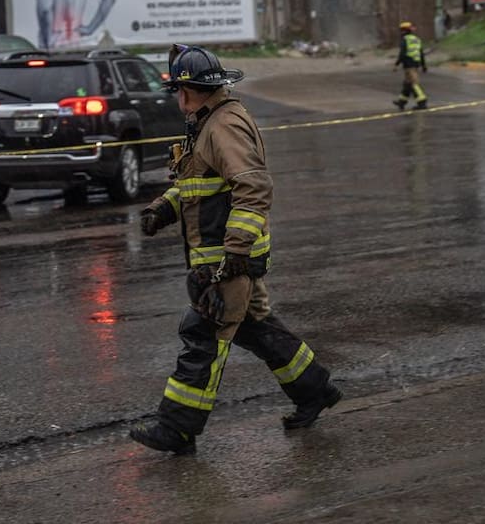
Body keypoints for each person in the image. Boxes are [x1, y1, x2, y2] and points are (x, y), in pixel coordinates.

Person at [129, 44, 342, 455]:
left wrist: (235, 253)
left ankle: (177, 428)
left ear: (190, 90)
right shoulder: (208, 122)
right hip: (227, 259)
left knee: (203, 334)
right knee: (256, 328)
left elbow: (253, 186)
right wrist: (163, 209)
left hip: (225, 262)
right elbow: (201, 187)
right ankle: (315, 390)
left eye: (177, 90)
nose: (175, 98)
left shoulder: (222, 126)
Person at [393, 21, 428, 111]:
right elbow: (421, 54)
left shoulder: (405, 40)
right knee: (407, 84)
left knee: (413, 84)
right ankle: (402, 101)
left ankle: (422, 102)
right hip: (416, 64)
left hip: (409, 64)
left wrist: (396, 64)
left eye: (401, 30)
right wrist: (424, 65)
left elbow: (403, 53)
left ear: (404, 31)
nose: (400, 32)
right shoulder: (416, 39)